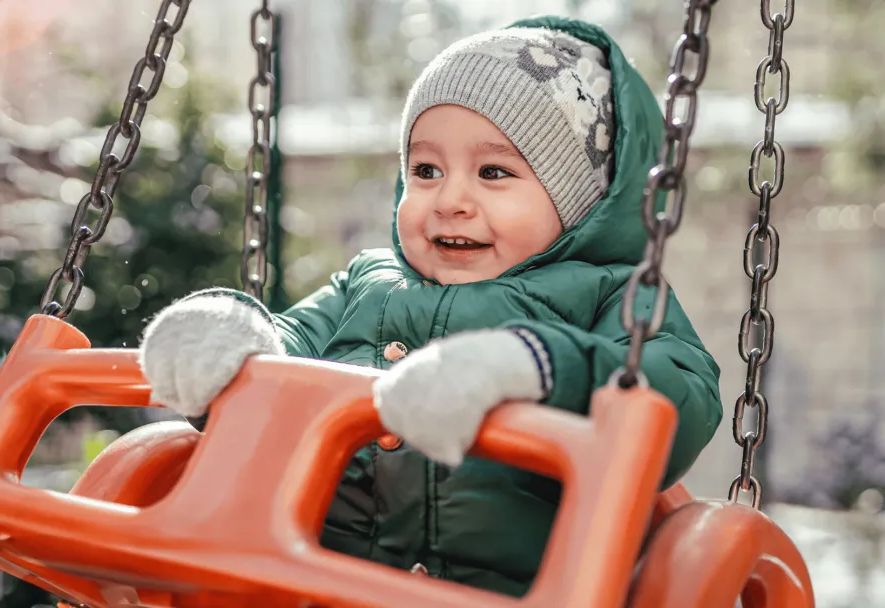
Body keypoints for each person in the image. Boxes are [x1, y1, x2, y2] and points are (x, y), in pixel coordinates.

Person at [138, 15, 722, 597]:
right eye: (425, 170)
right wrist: (227, 339)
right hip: (319, 584)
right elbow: (285, 345)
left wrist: (535, 364)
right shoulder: (369, 281)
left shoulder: (612, 297)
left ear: (580, 204)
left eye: (493, 172)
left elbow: (677, 397)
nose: (450, 200)